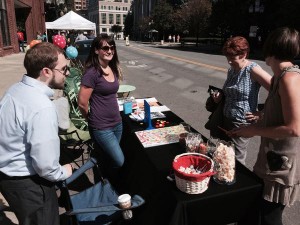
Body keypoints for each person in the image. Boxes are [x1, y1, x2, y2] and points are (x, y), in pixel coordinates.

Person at [230, 27, 300, 225]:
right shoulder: (281, 76)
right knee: (255, 211)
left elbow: (294, 128)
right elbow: (283, 112)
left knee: (269, 217)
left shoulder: (290, 78)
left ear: (270, 50)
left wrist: (254, 130)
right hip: (270, 159)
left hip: (280, 164)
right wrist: (262, 115)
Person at [0, 42, 73, 225]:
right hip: (29, 184)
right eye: (64, 69)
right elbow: (46, 166)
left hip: (9, 179)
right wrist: (63, 171)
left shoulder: (15, 90)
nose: (68, 73)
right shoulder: (41, 106)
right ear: (47, 72)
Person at [211, 36, 271, 165]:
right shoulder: (231, 69)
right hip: (225, 118)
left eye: (232, 59)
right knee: (223, 154)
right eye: (228, 59)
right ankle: (225, 179)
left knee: (237, 159)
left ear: (244, 54)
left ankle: (237, 183)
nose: (229, 62)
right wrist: (219, 98)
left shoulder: (253, 69)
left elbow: (278, 91)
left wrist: (262, 113)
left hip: (241, 123)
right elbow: (229, 92)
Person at [78, 34, 124, 185]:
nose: (110, 51)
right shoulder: (92, 73)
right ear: (97, 50)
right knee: (119, 160)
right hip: (101, 126)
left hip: (117, 123)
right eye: (105, 48)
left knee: (108, 157)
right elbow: (82, 103)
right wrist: (90, 119)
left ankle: (105, 183)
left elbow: (111, 94)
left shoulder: (112, 68)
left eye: (112, 47)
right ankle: (108, 180)